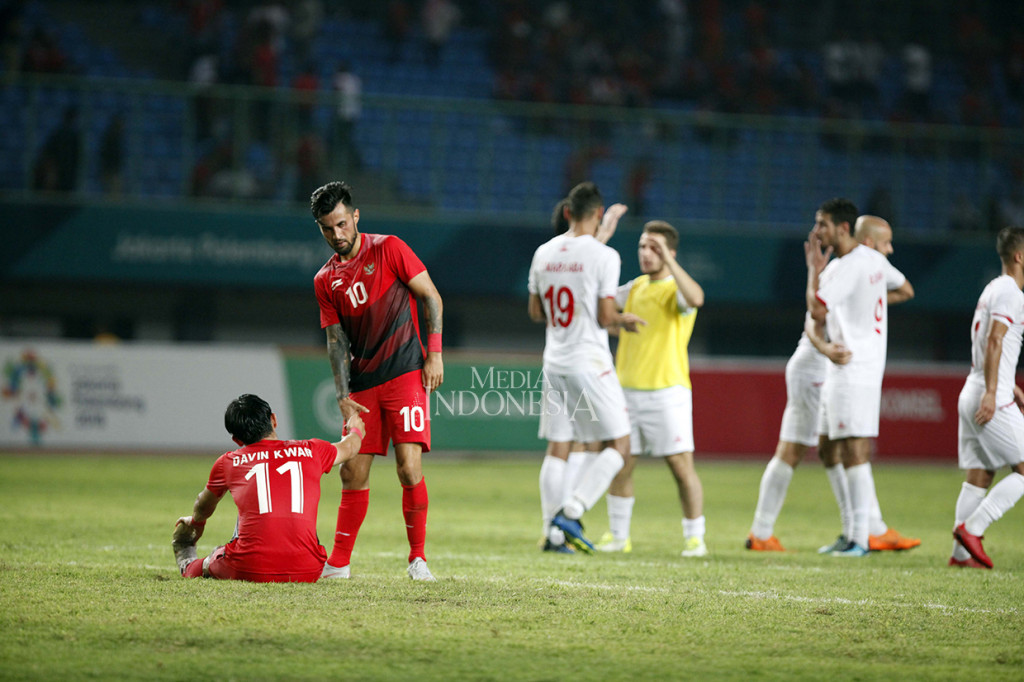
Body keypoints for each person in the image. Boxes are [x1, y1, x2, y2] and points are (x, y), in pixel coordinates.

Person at [746, 207, 918, 553]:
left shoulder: (861, 265)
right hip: (815, 368)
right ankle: (864, 530)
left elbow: (901, 291)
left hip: (824, 366)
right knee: (812, 450)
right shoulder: (846, 267)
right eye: (886, 243)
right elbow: (815, 319)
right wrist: (825, 346)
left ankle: (865, 528)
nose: (890, 250)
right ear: (866, 240)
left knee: (828, 448)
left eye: (821, 224)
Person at [311, 181, 443, 581]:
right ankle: (339, 563)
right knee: (352, 472)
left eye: (341, 224)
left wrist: (434, 353)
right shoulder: (324, 281)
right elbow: (335, 340)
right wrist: (342, 394)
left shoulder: (389, 248)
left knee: (408, 467)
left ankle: (417, 559)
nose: (336, 235)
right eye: (326, 228)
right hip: (364, 385)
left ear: (355, 217)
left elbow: (431, 296)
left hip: (405, 374)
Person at [528, 181, 644, 554]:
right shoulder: (604, 256)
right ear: (598, 214)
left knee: (559, 447)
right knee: (621, 444)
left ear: (566, 212)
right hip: (589, 362)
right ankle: (572, 511)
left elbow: (535, 312)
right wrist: (623, 320)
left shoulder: (543, 252)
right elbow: (605, 314)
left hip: (554, 361)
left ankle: (552, 533)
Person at [804, 204, 916, 557]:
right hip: (845, 367)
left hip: (855, 367)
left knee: (854, 450)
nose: (817, 231)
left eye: (822, 224)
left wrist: (812, 271)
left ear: (842, 228)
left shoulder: (850, 267)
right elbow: (906, 290)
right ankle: (853, 531)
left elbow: (816, 310)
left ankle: (859, 538)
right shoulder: (872, 262)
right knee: (827, 447)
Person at [595, 220, 708, 558]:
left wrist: (670, 262)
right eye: (643, 246)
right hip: (626, 391)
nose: (646, 253)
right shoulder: (636, 288)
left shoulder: (676, 289)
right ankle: (618, 536)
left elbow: (697, 298)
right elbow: (600, 306)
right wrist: (616, 321)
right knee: (621, 463)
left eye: (654, 248)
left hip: (666, 391)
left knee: (680, 466)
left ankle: (694, 538)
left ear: (670, 253)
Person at [171, 394, 364, 583]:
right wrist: (354, 425)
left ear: (237, 440)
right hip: (309, 569)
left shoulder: (228, 463)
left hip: (248, 568)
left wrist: (196, 523)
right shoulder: (312, 450)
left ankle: (187, 561)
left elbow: (203, 505)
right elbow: (350, 448)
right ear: (274, 419)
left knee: (214, 557)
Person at [950, 227, 1024, 569]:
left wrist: (1006, 384)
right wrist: (995, 392)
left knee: (980, 474)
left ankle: (960, 556)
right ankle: (973, 529)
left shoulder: (992, 288)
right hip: (987, 396)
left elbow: (991, 345)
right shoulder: (1012, 292)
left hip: (973, 387)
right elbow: (994, 341)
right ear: (1019, 256)